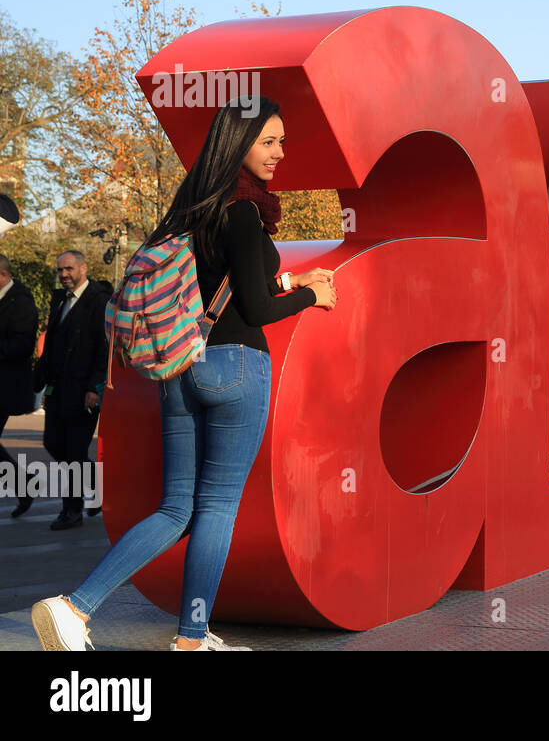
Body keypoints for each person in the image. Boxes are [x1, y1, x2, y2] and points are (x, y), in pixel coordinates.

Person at [31, 97, 338, 652]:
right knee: (217, 507)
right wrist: (313, 295)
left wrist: (289, 281)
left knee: (177, 508)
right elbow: (258, 311)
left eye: (282, 142)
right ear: (238, 144)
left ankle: (73, 608)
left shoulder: (191, 211)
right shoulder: (244, 213)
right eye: (269, 141)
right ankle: (192, 638)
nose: (280, 153)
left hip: (181, 369)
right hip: (236, 367)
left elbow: (232, 290)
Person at [32, 252, 111, 530]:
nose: (64, 274)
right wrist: (42, 384)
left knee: (74, 451)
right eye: (60, 270)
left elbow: (105, 348)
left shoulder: (99, 301)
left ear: (83, 268)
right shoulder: (60, 301)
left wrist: (95, 388)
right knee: (53, 443)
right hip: (59, 389)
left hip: (84, 391)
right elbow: (52, 346)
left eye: (69, 268)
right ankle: (97, 486)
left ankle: (71, 510)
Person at [0, 255, 39, 518]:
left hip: (6, 386)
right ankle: (24, 486)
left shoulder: (21, 301)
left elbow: (23, 346)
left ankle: (24, 486)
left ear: (2, 275)